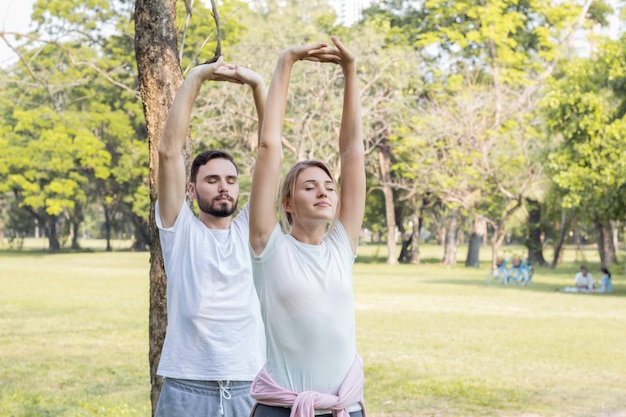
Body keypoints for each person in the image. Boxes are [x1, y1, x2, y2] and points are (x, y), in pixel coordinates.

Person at [248, 37, 366, 417]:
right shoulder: (270, 248)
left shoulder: (341, 247)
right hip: (283, 410)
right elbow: (269, 148)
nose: (324, 192)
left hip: (342, 408)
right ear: (287, 203)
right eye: (309, 186)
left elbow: (351, 154)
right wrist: (286, 62)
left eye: (330, 187)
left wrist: (350, 71)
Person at [154, 58, 266, 417]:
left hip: (250, 385)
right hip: (187, 389)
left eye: (231, 181)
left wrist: (259, 87)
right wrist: (197, 76)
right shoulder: (180, 229)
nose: (224, 187)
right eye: (212, 179)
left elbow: (270, 153)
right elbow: (168, 152)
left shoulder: (251, 230)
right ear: (191, 189)